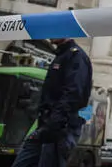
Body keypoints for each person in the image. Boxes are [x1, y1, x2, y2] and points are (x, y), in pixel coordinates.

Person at [11, 38, 93, 167]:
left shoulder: (75, 56)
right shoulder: (61, 55)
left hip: (59, 128)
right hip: (46, 125)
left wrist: (55, 123)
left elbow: (73, 94)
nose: (51, 35)